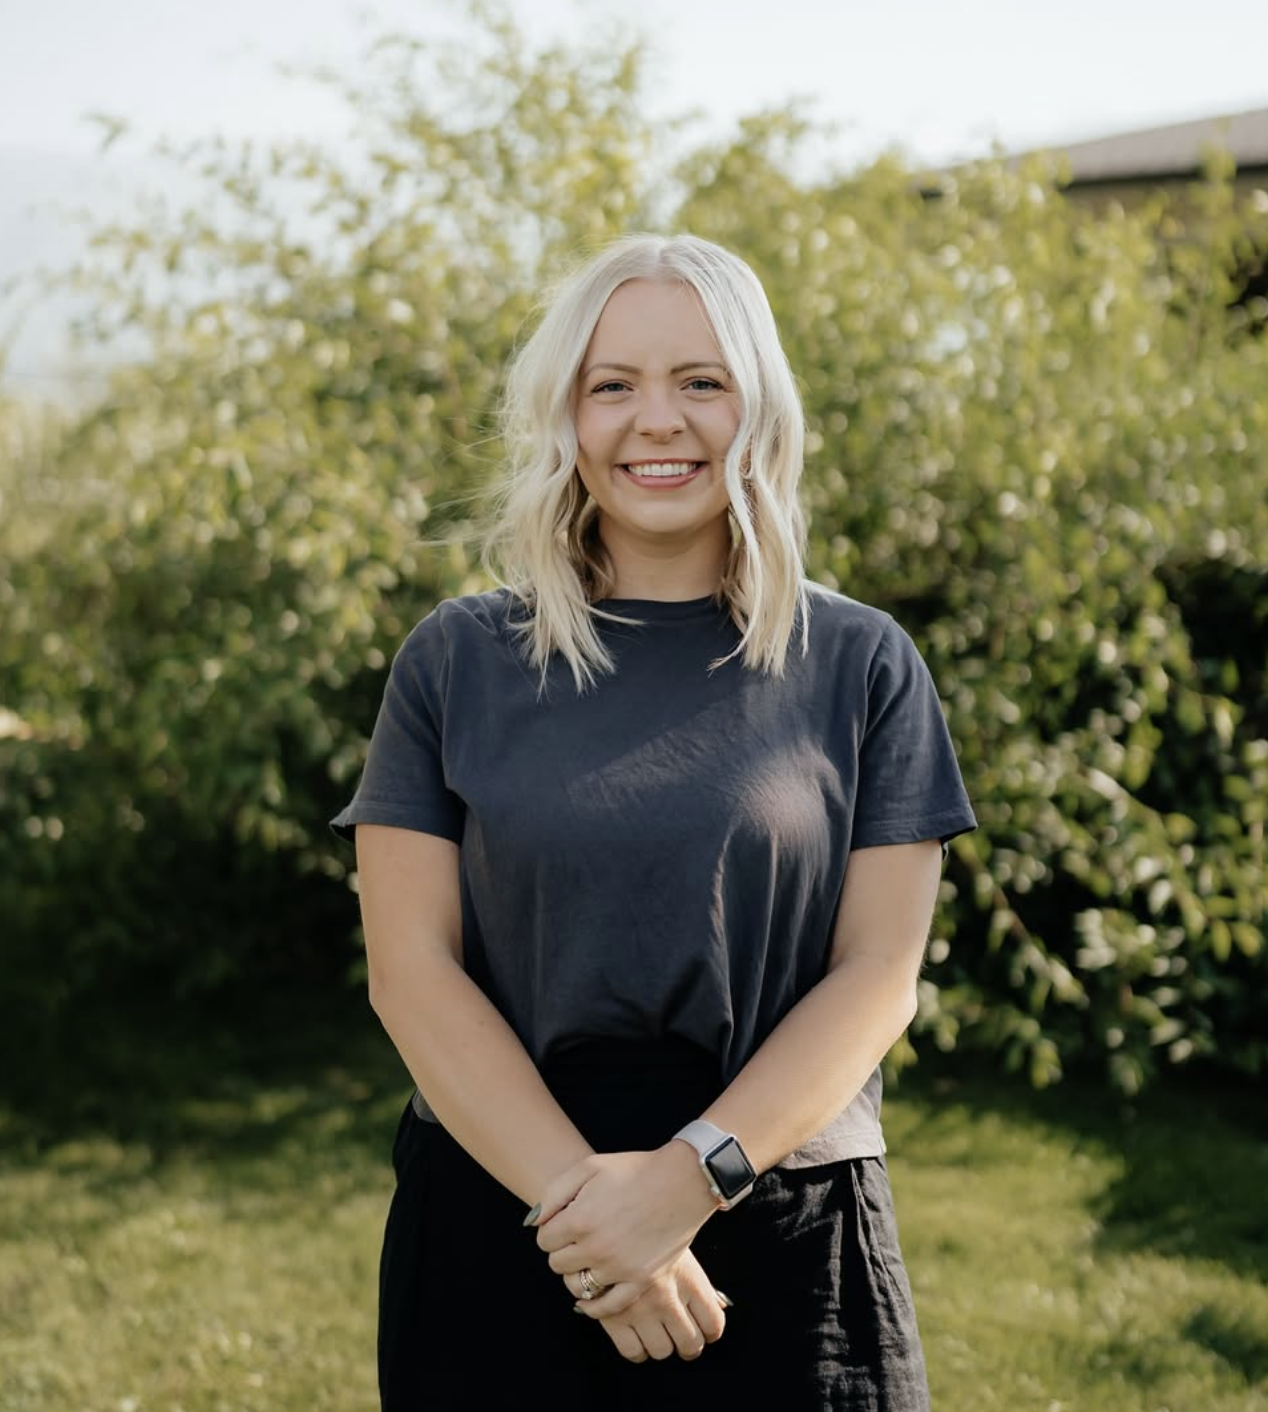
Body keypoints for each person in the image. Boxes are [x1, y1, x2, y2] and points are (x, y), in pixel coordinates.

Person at [331, 232, 976, 1410]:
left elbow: (878, 972)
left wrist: (688, 1179)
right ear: (564, 416)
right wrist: (589, 1219)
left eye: (700, 381)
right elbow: (409, 971)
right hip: (500, 1209)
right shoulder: (455, 660)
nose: (656, 421)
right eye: (612, 384)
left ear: (758, 406)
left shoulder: (861, 662)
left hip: (780, 1214)